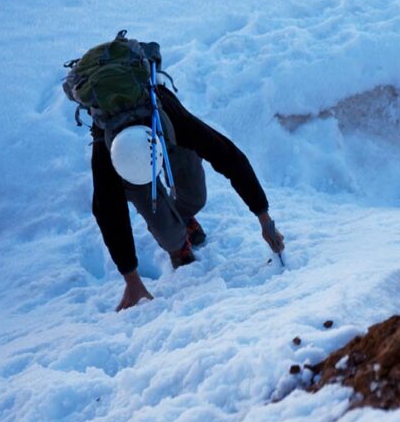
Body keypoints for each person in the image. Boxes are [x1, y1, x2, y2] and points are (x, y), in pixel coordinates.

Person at [69, 34, 283, 312]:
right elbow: (110, 216)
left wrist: (265, 220)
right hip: (129, 157)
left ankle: (182, 213)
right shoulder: (107, 154)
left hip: (164, 133)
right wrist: (131, 279)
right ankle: (175, 241)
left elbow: (231, 158)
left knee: (195, 197)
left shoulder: (173, 119)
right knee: (169, 233)